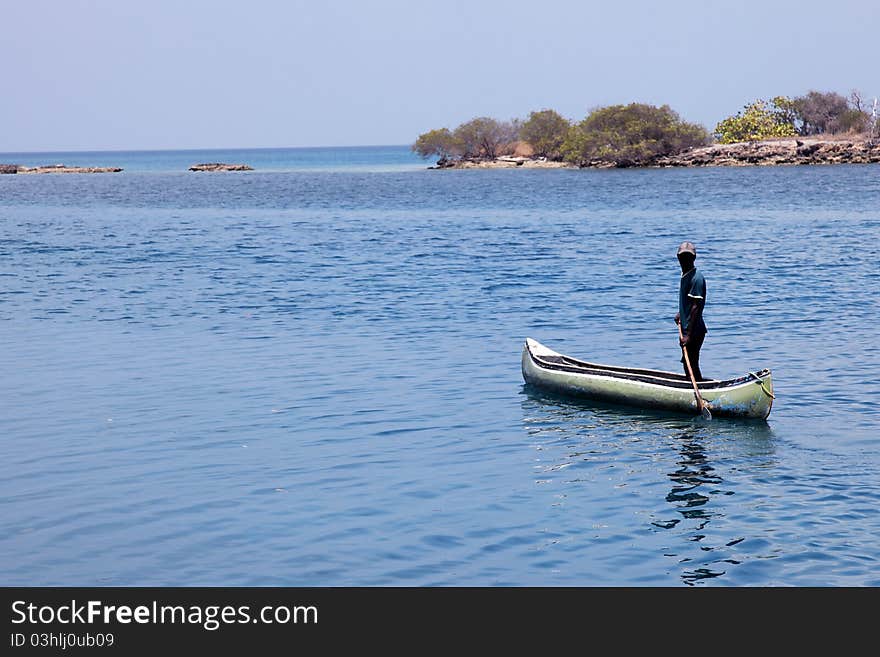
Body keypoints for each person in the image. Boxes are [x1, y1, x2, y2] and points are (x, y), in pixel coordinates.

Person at [674, 241, 708, 381]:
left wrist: (688, 335)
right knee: (688, 363)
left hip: (694, 330)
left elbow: (695, 307)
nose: (685, 260)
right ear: (678, 258)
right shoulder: (686, 275)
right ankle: (693, 384)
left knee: (691, 363)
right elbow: (688, 303)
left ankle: (698, 388)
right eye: (683, 257)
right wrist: (680, 313)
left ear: (694, 258)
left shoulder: (696, 278)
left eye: (688, 257)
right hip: (688, 328)